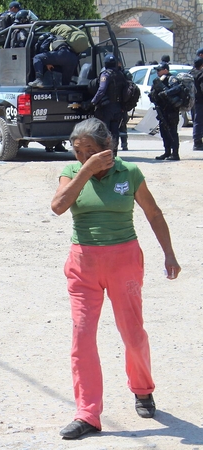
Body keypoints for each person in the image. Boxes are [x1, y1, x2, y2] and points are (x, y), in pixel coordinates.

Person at [51, 117, 181, 440]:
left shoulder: (129, 172)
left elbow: (153, 213)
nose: (83, 156)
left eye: (90, 151)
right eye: (78, 151)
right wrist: (85, 170)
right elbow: (58, 206)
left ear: (107, 147)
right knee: (82, 338)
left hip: (124, 262)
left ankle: (142, 388)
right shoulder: (71, 173)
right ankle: (87, 413)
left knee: (133, 333)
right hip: (83, 264)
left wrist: (169, 254)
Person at [90, 54, 127, 155]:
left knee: (104, 131)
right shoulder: (121, 75)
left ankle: (105, 153)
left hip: (106, 108)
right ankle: (114, 153)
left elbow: (101, 90)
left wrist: (93, 102)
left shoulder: (106, 74)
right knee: (115, 131)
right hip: (118, 107)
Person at [149, 62, 181, 160]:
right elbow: (153, 92)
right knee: (164, 132)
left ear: (166, 70)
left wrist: (166, 92)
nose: (157, 72)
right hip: (162, 110)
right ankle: (167, 152)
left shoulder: (172, 79)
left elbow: (178, 88)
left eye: (159, 70)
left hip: (171, 110)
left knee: (172, 132)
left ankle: (175, 153)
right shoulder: (157, 81)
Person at [190, 57, 203, 150]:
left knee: (196, 121)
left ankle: (197, 140)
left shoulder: (190, 73)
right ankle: (197, 142)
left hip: (192, 101)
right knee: (199, 121)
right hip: (200, 101)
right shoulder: (201, 74)